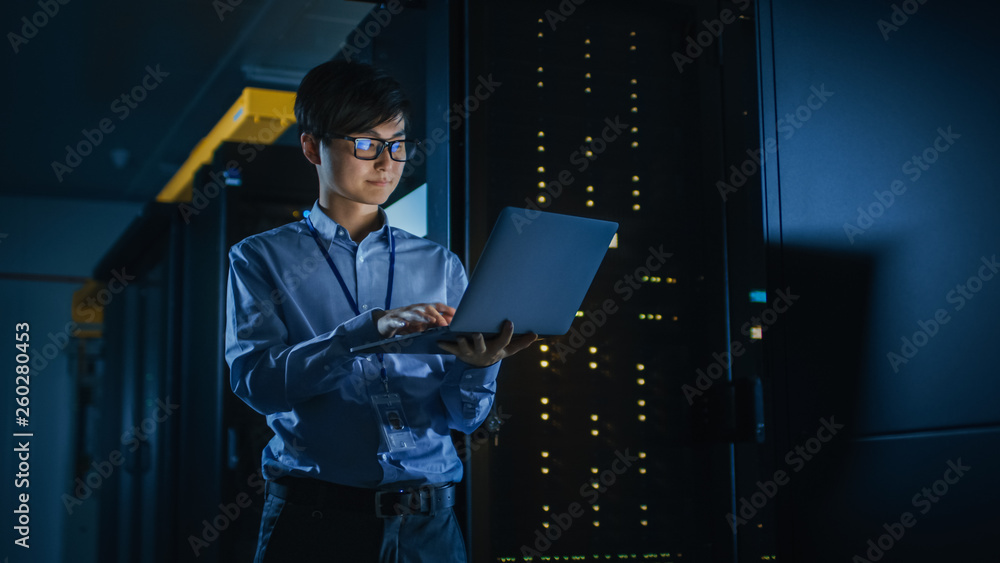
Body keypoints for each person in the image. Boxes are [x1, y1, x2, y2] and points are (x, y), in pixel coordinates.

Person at [224, 59, 536, 562]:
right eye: (366, 144)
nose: (387, 162)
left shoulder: (439, 263)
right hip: (317, 523)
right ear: (311, 146)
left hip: (429, 526)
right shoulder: (261, 257)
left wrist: (482, 368)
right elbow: (258, 385)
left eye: (398, 144)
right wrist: (364, 334)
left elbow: (462, 417)